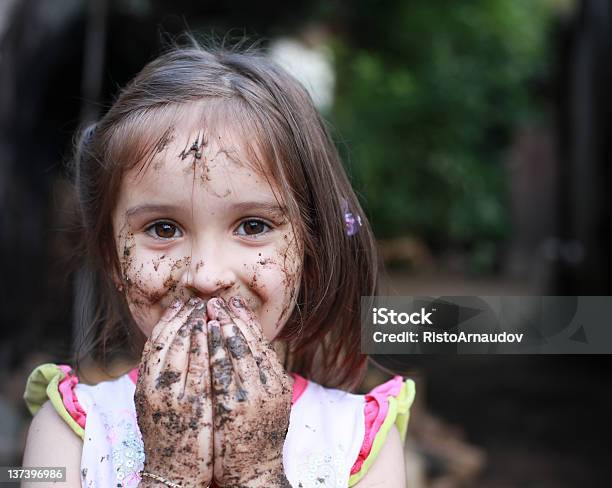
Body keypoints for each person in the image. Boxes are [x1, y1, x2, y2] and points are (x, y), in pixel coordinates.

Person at [21, 39, 416, 488]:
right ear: (114, 258)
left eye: (252, 226)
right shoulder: (65, 431)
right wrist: (170, 473)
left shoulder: (360, 440)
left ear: (309, 251)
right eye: (163, 229)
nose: (206, 277)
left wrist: (257, 475)